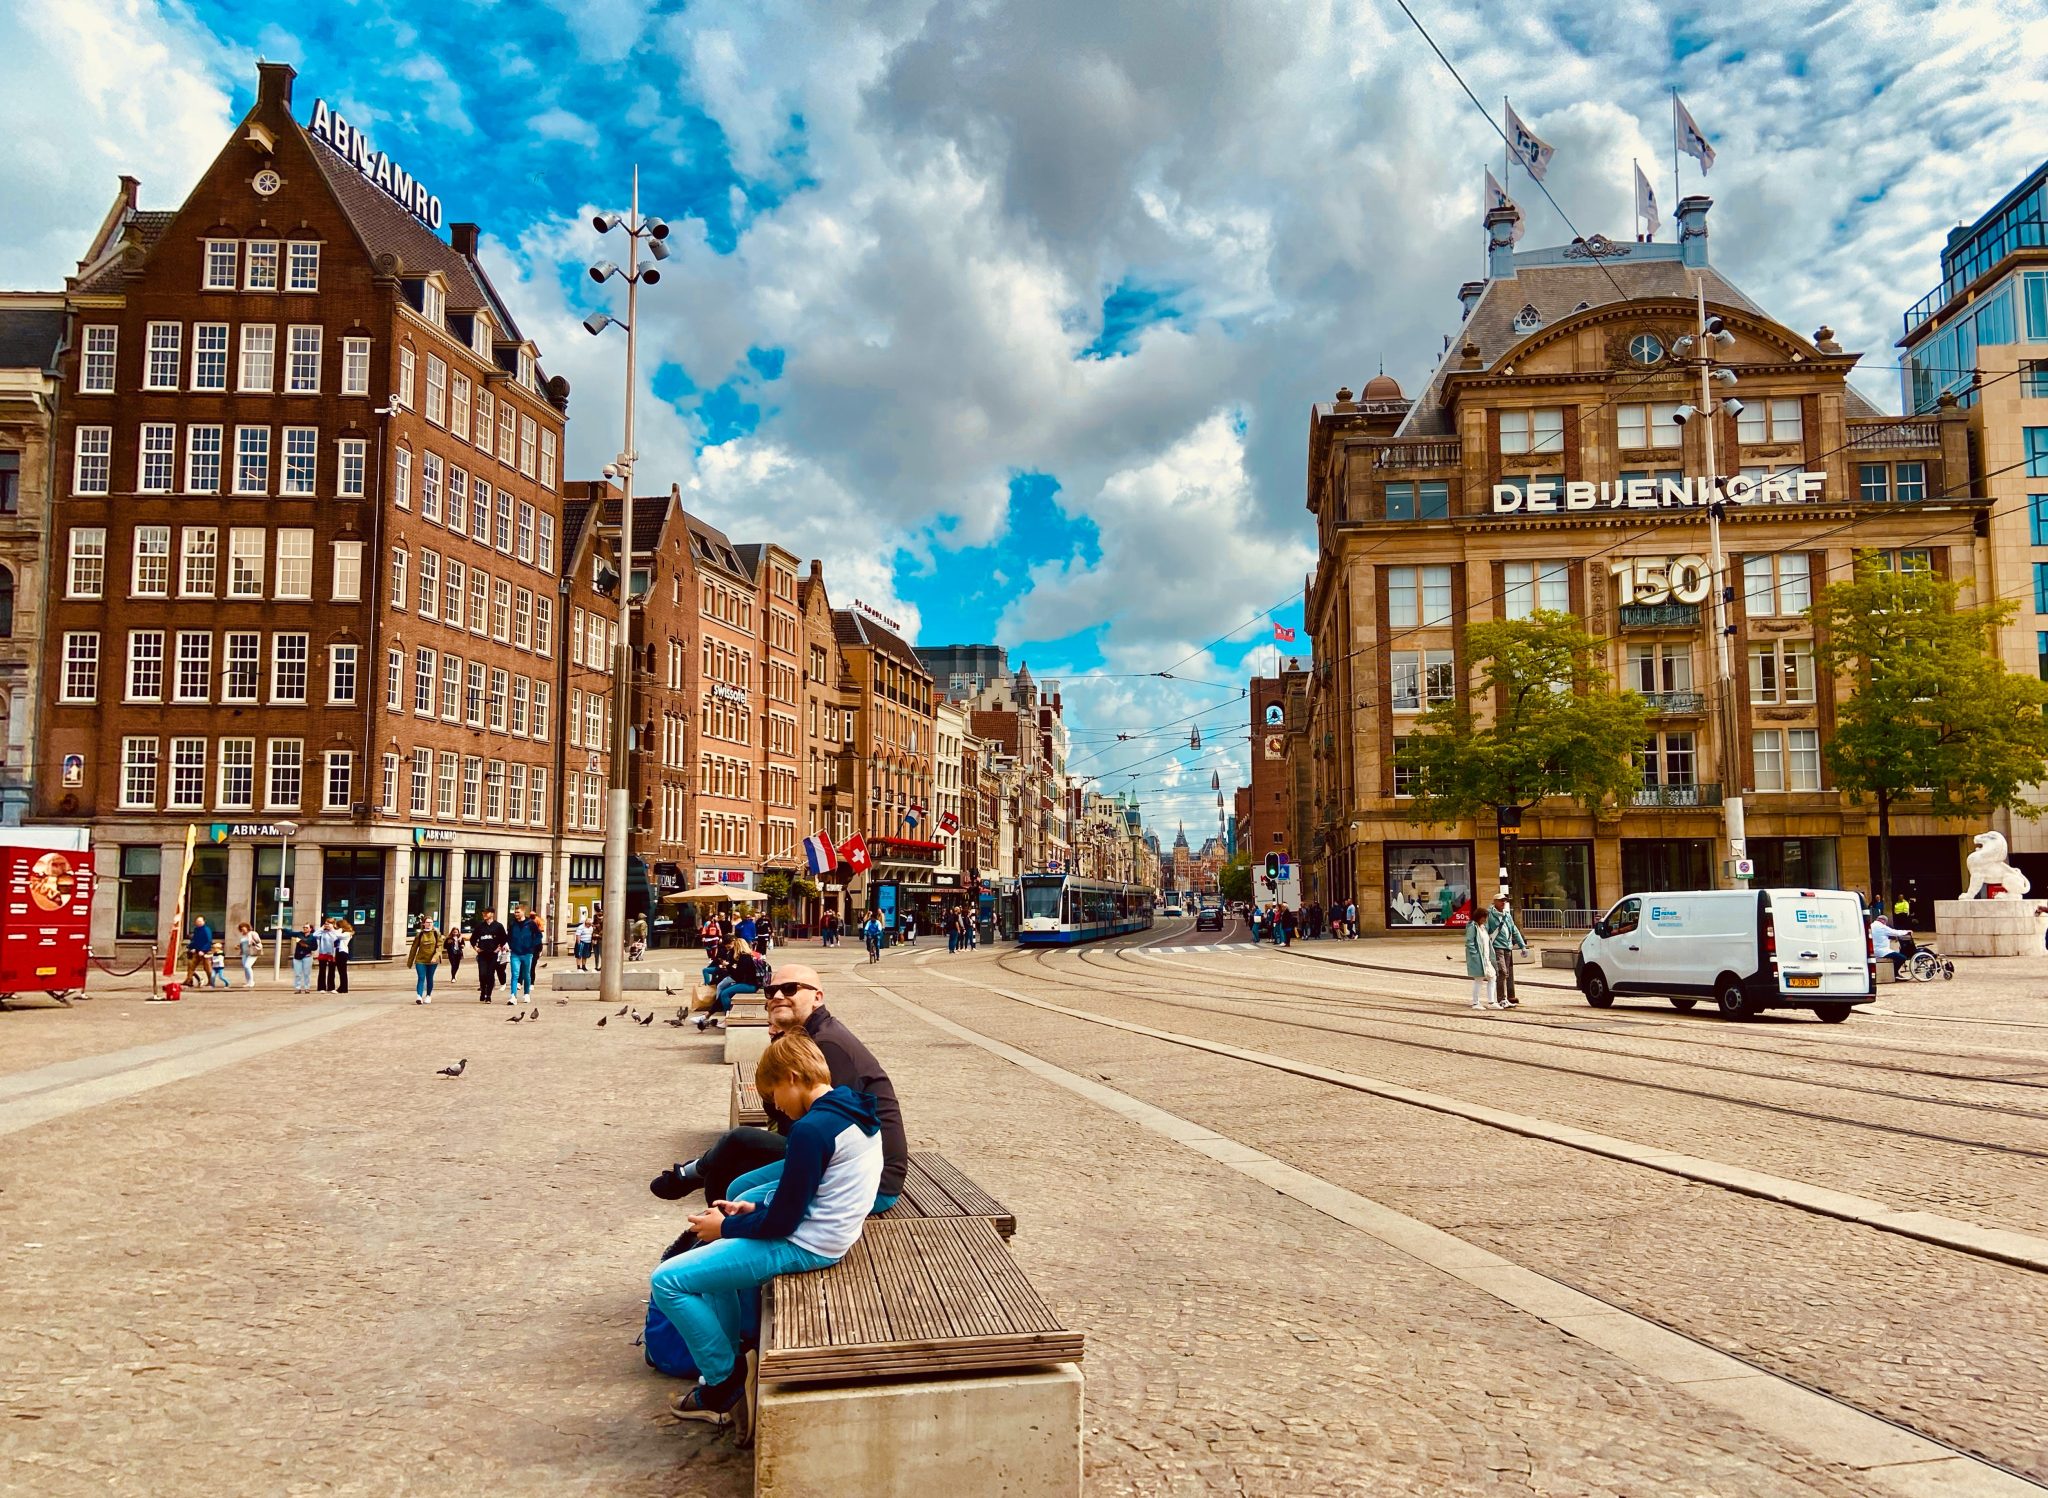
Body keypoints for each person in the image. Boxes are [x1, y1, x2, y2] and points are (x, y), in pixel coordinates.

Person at [652, 1030, 884, 1429]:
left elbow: (784, 1223)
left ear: (792, 1077)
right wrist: (751, 1205)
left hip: (808, 1244)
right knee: (710, 1273)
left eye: (774, 1093)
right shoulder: (852, 1107)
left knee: (668, 1280)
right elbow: (810, 1191)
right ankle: (722, 1364)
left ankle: (723, 1386)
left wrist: (726, 1227)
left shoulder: (811, 1131)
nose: (775, 1105)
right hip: (830, 1232)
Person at [654, 964, 908, 1216]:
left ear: (817, 997)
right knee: (733, 1163)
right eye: (771, 990)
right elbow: (786, 1117)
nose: (777, 996)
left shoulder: (826, 1045)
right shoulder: (808, 1038)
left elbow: (806, 1128)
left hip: (870, 1180)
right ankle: (713, 1213)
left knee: (737, 1156)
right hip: (845, 1162)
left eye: (789, 989)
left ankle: (716, 1214)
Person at [698, 939, 763, 1031]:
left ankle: (729, 1018)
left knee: (725, 993)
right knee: (724, 992)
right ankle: (709, 1013)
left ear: (737, 946)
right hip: (748, 983)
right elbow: (739, 975)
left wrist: (727, 966)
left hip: (749, 985)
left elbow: (738, 976)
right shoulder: (746, 956)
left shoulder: (744, 958)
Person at [1486, 894, 1531, 1009]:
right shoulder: (1489, 914)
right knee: (1502, 972)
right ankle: (1501, 999)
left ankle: (1502, 998)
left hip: (1507, 947)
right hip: (1496, 947)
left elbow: (1514, 930)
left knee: (1505, 973)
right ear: (1495, 901)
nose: (1503, 903)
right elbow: (1485, 930)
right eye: (1501, 901)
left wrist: (1522, 946)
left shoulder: (1507, 915)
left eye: (1504, 901)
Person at [507, 905, 543, 1003]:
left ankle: (526, 994)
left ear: (523, 912)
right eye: (515, 912)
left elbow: (539, 936)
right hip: (515, 952)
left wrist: (532, 946)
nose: (516, 914)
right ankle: (513, 996)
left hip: (527, 953)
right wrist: (510, 945)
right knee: (515, 974)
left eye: (518, 912)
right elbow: (509, 936)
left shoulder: (531, 924)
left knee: (526, 974)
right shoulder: (512, 924)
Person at [473, 908, 509, 1003]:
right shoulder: (480, 926)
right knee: (482, 974)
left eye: (486, 913)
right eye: (483, 913)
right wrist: (476, 948)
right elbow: (473, 939)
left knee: (490, 974)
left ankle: (488, 995)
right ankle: (483, 990)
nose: (484, 914)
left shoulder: (498, 926)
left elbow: (504, 939)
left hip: (493, 954)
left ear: (492, 914)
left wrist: (499, 948)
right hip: (482, 954)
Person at [1465, 909, 1498, 1011]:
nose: (1485, 919)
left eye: (1485, 917)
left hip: (1486, 958)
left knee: (1492, 977)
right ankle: (1475, 1003)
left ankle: (1491, 1001)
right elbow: (1469, 942)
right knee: (1478, 980)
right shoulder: (1472, 927)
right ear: (1478, 917)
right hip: (1479, 958)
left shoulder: (1483, 927)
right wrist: (1475, 956)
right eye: (1483, 917)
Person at [1870, 911, 1916, 977]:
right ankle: (1894, 973)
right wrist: (1907, 932)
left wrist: (1891, 937)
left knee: (1895, 954)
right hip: (1882, 951)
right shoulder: (1882, 927)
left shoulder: (1872, 925)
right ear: (1884, 921)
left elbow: (1880, 936)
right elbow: (1894, 932)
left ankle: (1893, 972)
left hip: (1874, 950)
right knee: (1902, 958)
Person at [409, 916, 443, 1003]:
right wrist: (410, 961)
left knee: (429, 978)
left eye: (431, 922)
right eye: (427, 922)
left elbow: (439, 947)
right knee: (421, 977)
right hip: (420, 960)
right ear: (424, 924)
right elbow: (414, 948)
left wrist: (435, 957)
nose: (429, 924)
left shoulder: (436, 934)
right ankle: (419, 996)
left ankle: (428, 995)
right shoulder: (420, 934)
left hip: (432, 960)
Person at [186, 917, 219, 988]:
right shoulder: (196, 930)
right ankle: (189, 980)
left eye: (200, 921)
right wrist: (191, 947)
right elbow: (195, 940)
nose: (198, 923)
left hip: (205, 952)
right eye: (197, 921)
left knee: (207, 967)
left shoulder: (206, 929)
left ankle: (211, 982)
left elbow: (208, 941)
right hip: (197, 950)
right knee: (191, 965)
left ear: (204, 921)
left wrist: (203, 950)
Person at [290, 921, 317, 993]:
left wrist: (307, 946)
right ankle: (297, 988)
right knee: (297, 973)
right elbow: (290, 933)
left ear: (310, 929)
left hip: (307, 956)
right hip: (298, 957)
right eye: (304, 927)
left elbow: (315, 947)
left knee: (307, 973)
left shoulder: (313, 937)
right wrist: (282, 928)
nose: (305, 928)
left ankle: (307, 988)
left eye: (306, 927)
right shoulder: (299, 934)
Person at [314, 919, 339, 992]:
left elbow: (337, 938)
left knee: (331, 971)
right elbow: (315, 935)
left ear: (332, 924)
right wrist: (321, 928)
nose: (326, 925)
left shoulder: (336, 932)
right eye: (325, 924)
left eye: (328, 924)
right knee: (322, 971)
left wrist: (332, 929)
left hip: (332, 953)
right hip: (323, 953)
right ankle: (321, 987)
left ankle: (331, 987)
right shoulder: (322, 932)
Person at [236, 922, 260, 988]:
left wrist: (253, 942)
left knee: (247, 966)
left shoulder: (253, 933)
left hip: (252, 952)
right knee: (245, 968)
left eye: (243, 927)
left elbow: (258, 941)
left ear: (247, 927)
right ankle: (248, 982)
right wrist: (238, 946)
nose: (243, 929)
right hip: (244, 953)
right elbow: (242, 944)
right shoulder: (242, 936)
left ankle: (252, 981)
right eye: (241, 928)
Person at [332, 919, 353, 994]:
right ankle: (342, 987)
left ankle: (344, 987)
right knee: (340, 971)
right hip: (338, 952)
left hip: (343, 952)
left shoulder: (347, 933)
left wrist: (339, 929)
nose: (336, 927)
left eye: (337, 926)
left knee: (343, 971)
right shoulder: (341, 932)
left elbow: (338, 935)